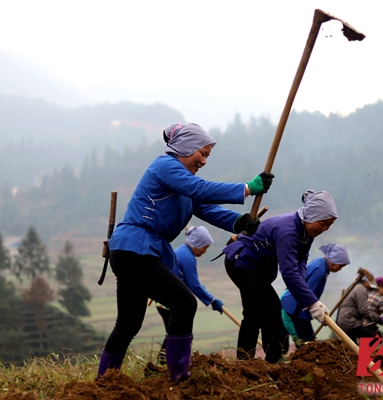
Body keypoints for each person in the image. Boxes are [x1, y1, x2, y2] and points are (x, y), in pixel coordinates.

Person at [97, 123, 274, 383]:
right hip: (135, 249)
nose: (203, 160)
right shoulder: (166, 166)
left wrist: (240, 222)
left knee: (129, 323)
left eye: (207, 156)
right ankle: (179, 377)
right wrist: (247, 188)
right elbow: (200, 189)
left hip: (133, 251)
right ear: (185, 147)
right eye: (201, 153)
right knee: (184, 303)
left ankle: (104, 382)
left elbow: (208, 208)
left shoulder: (183, 184)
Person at [222, 190, 336, 364]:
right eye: (322, 223)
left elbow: (301, 260)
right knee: (268, 310)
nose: (324, 229)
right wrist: (311, 302)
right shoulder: (288, 230)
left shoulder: (307, 231)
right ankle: (267, 360)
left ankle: (254, 360)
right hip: (242, 263)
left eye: (328, 225)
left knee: (259, 312)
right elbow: (289, 271)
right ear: (311, 215)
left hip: (258, 268)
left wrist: (302, 289)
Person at [155, 226, 223, 365]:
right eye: (204, 247)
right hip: (170, 302)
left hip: (164, 300)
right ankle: (171, 363)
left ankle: (167, 362)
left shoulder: (181, 251)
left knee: (173, 333)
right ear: (197, 243)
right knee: (179, 333)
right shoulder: (187, 257)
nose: (204, 251)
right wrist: (212, 300)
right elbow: (194, 285)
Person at [279, 243, 351, 350]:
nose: (340, 269)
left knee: (305, 339)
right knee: (308, 341)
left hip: (296, 304)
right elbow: (307, 293)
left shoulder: (319, 262)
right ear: (333, 260)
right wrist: (316, 312)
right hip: (297, 307)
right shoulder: (320, 271)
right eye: (340, 266)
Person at [337, 275, 383, 344]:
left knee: (353, 347)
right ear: (366, 282)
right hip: (350, 322)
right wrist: (377, 318)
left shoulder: (353, 287)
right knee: (374, 339)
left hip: (343, 322)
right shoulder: (361, 289)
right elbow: (363, 310)